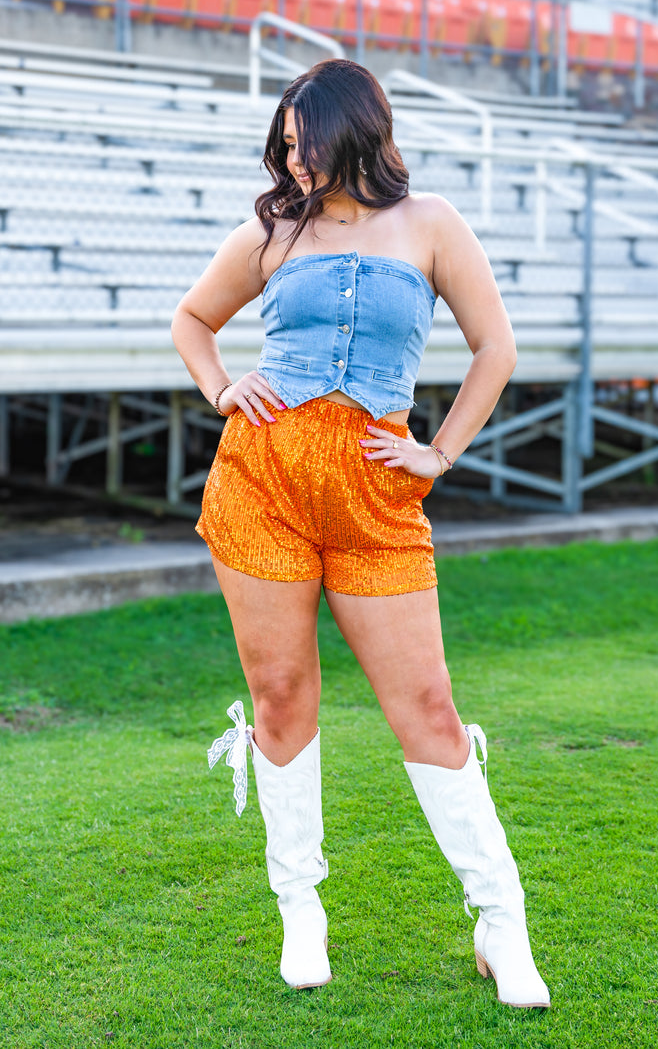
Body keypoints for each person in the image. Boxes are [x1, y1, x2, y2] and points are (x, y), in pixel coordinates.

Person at [171, 58, 549, 1008]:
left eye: (307, 143)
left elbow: (495, 347)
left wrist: (442, 454)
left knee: (425, 704)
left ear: (355, 132)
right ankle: (301, 905)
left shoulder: (431, 224)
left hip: (380, 494)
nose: (293, 160)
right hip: (263, 482)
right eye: (285, 146)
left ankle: (501, 921)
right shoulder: (271, 229)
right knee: (282, 693)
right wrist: (222, 387)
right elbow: (192, 318)